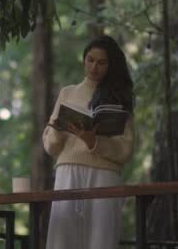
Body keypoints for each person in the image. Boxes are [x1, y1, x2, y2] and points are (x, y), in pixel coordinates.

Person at [42, 35, 135, 249]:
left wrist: (95, 143)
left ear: (111, 66)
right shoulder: (68, 92)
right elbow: (50, 146)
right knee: (62, 240)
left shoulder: (121, 97)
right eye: (90, 60)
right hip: (68, 172)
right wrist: (57, 130)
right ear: (84, 60)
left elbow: (126, 149)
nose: (94, 67)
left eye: (101, 62)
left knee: (101, 240)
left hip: (104, 175)